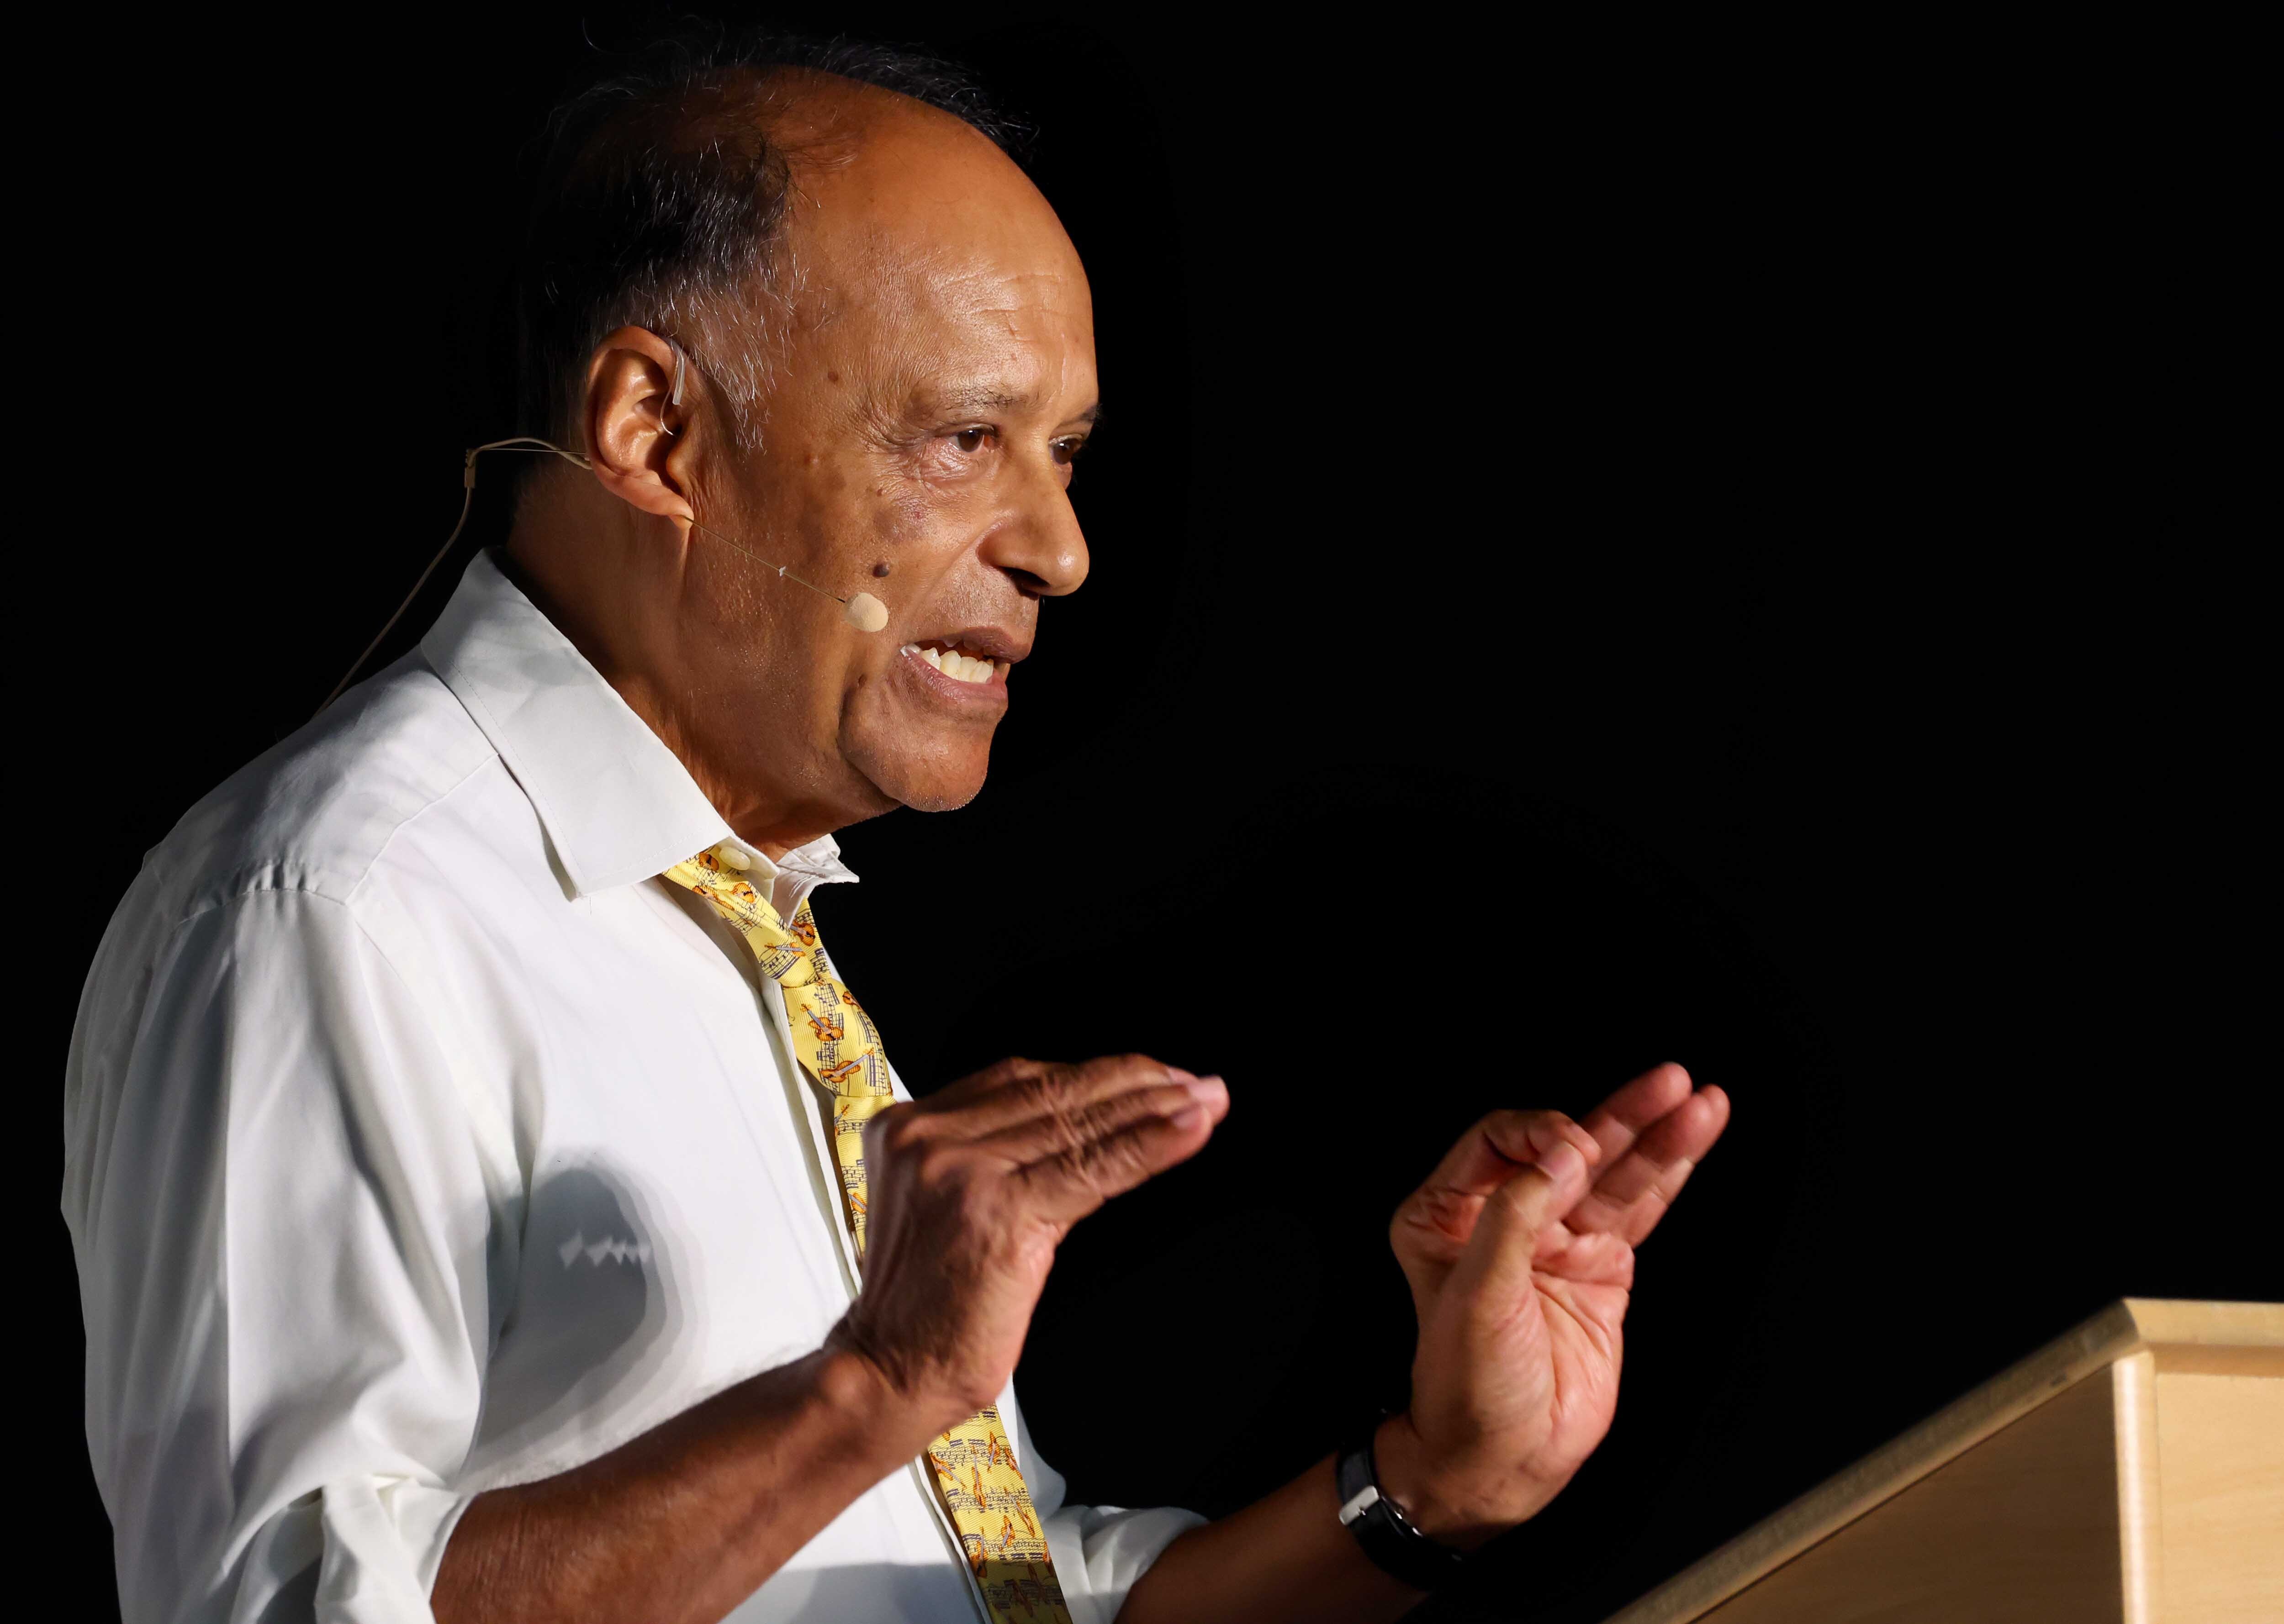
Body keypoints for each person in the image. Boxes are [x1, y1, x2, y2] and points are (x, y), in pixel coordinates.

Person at [61, 32, 1730, 1624]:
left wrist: (1437, 1481)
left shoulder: (733, 923)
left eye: (1066, 456)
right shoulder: (338, 905)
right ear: (656, 431)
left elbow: (981, 1596)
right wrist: (870, 1387)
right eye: (965, 440)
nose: (1064, 550)